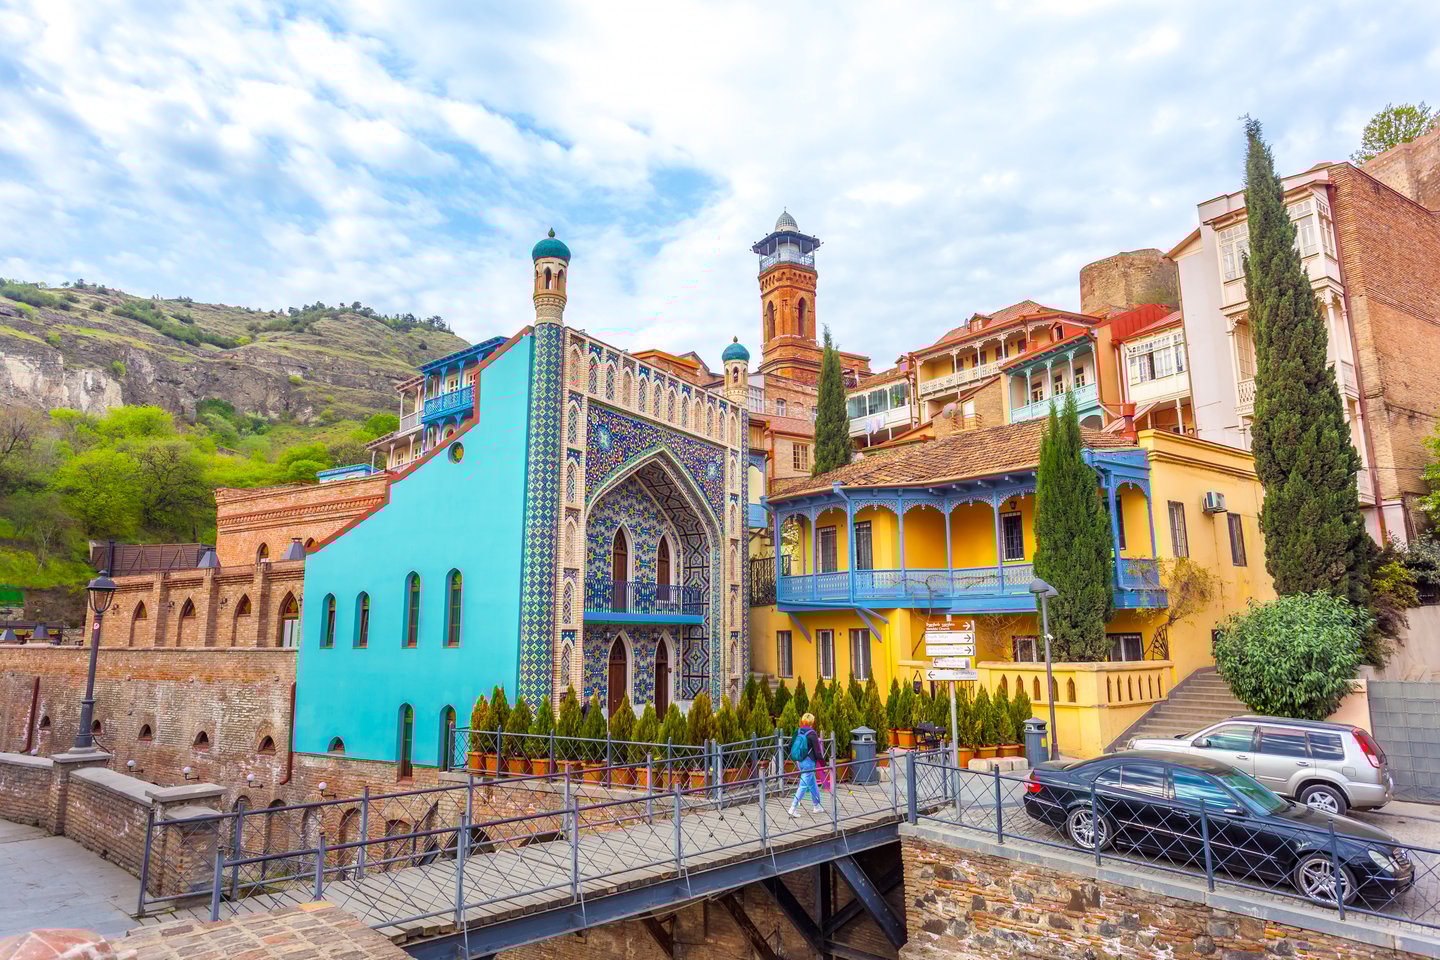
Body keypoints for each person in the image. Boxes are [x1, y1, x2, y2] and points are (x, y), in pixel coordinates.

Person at [788, 713, 826, 816]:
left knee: (812, 783)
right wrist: (823, 763)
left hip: (800, 761)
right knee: (803, 785)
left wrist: (797, 756)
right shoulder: (812, 733)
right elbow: (817, 751)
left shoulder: (798, 731)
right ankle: (793, 807)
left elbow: (790, 745)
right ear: (812, 722)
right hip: (809, 761)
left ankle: (817, 806)